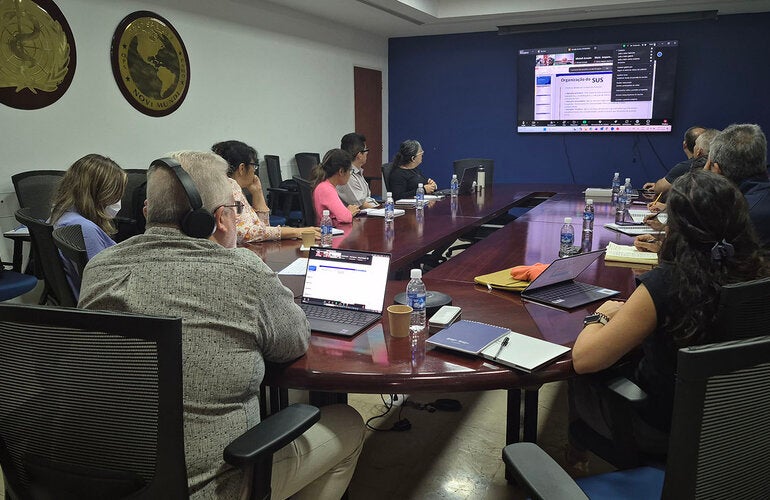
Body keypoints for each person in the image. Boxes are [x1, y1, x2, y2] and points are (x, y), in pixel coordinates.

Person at [78, 151, 364, 499]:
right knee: (348, 423)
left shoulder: (100, 268)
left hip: (107, 479)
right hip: (210, 487)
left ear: (146, 212)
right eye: (235, 209)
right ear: (222, 219)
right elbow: (293, 343)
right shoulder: (243, 270)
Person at [569, 169, 769, 459]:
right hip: (734, 427)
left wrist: (600, 316)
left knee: (577, 374)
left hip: (661, 432)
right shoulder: (758, 273)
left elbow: (585, 359)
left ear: (677, 226)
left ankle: (575, 455)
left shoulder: (667, 283)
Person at [50, 153, 127, 299]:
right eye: (116, 193)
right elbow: (105, 285)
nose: (118, 199)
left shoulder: (61, 216)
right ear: (99, 193)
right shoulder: (84, 229)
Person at [211, 140, 319, 243]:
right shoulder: (230, 187)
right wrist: (296, 231)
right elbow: (243, 233)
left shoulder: (230, 187)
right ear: (242, 168)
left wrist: (257, 193)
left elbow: (262, 228)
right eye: (254, 166)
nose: (254, 171)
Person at [642, 125, 706, 196]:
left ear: (684, 144)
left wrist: (657, 186)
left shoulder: (686, 167)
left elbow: (659, 189)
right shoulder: (713, 164)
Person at [311, 149, 360, 225]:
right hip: (328, 233)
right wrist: (349, 212)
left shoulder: (325, 185)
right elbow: (345, 218)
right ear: (341, 171)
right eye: (350, 171)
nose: (350, 174)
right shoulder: (326, 189)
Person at [337, 132, 378, 208]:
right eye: (366, 150)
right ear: (359, 155)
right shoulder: (347, 175)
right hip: (356, 217)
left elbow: (366, 199)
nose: (367, 153)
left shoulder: (357, 171)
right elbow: (361, 204)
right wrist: (383, 211)